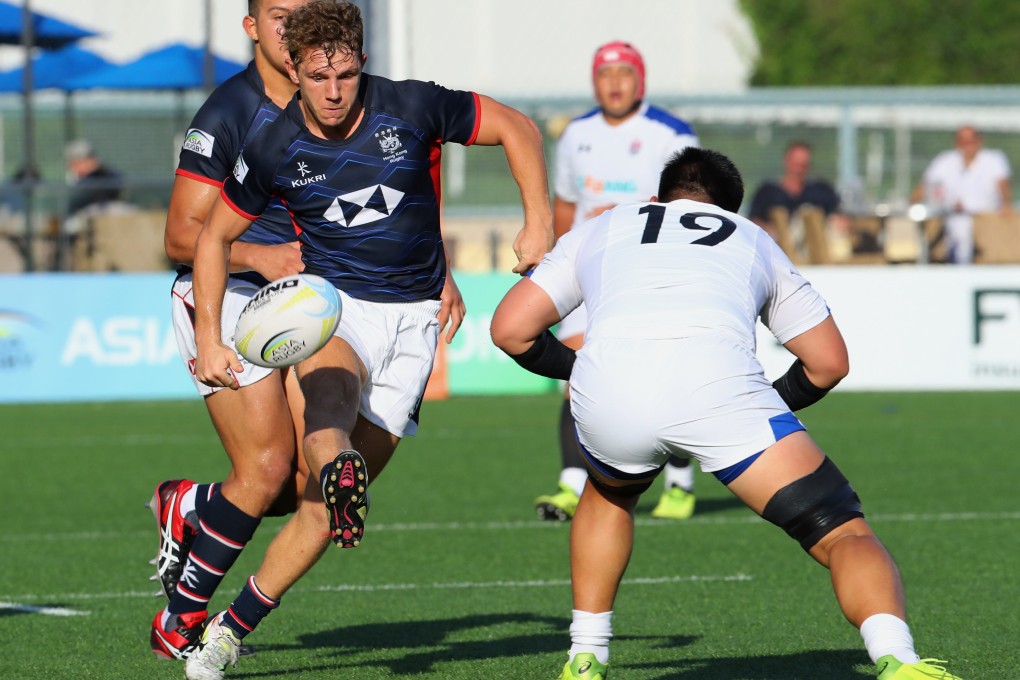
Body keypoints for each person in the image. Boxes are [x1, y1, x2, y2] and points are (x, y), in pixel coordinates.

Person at [491, 147, 962, 680]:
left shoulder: (605, 226)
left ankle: (586, 656)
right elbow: (829, 363)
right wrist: (762, 410)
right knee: (842, 532)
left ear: (656, 199)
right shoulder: (752, 238)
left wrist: (582, 371)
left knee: (609, 494)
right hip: (724, 395)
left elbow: (509, 329)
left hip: (611, 394)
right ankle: (898, 660)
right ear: (732, 212)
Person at [183, 2, 552, 678]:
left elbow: (518, 129)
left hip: (415, 323)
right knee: (328, 404)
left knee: (319, 510)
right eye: (318, 77)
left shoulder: (412, 106)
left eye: (345, 76)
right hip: (333, 308)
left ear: (362, 63)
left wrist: (539, 224)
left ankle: (233, 627)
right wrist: (209, 337)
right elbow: (213, 238)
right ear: (293, 68)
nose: (331, 92)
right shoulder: (271, 141)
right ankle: (336, 469)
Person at [150, 0, 468, 662]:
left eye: (299, 12)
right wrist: (261, 257)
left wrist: (434, 269)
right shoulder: (230, 113)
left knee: (306, 481)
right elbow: (181, 235)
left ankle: (194, 506)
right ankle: (179, 621)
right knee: (267, 469)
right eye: (275, 14)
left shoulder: (345, 99)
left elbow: (394, 193)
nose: (287, 24)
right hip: (237, 294)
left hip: (308, 297)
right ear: (255, 29)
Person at [537, 40, 700, 523]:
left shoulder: (670, 134)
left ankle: (679, 484)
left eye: (624, 74)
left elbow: (692, 206)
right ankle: (571, 486)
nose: (614, 84)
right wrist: (557, 265)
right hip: (591, 271)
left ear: (640, 80)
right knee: (579, 375)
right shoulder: (576, 135)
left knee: (659, 376)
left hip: (648, 272)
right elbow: (566, 205)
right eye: (605, 75)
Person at [911, 125, 1012, 264]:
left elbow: (1003, 186)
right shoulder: (945, 161)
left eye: (971, 140)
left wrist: (1006, 204)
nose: (967, 145)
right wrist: (912, 204)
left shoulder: (994, 159)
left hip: (985, 219)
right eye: (962, 140)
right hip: (950, 218)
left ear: (979, 140)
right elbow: (926, 187)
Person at [748, 140, 843, 241]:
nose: (798, 170)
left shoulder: (820, 191)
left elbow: (839, 215)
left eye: (803, 165)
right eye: (795, 164)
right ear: (786, 160)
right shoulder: (768, 192)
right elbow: (754, 220)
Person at [64, 139, 123, 215]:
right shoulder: (75, 180)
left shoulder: (107, 175)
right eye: (73, 164)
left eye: (81, 162)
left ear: (93, 160)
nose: (77, 167)